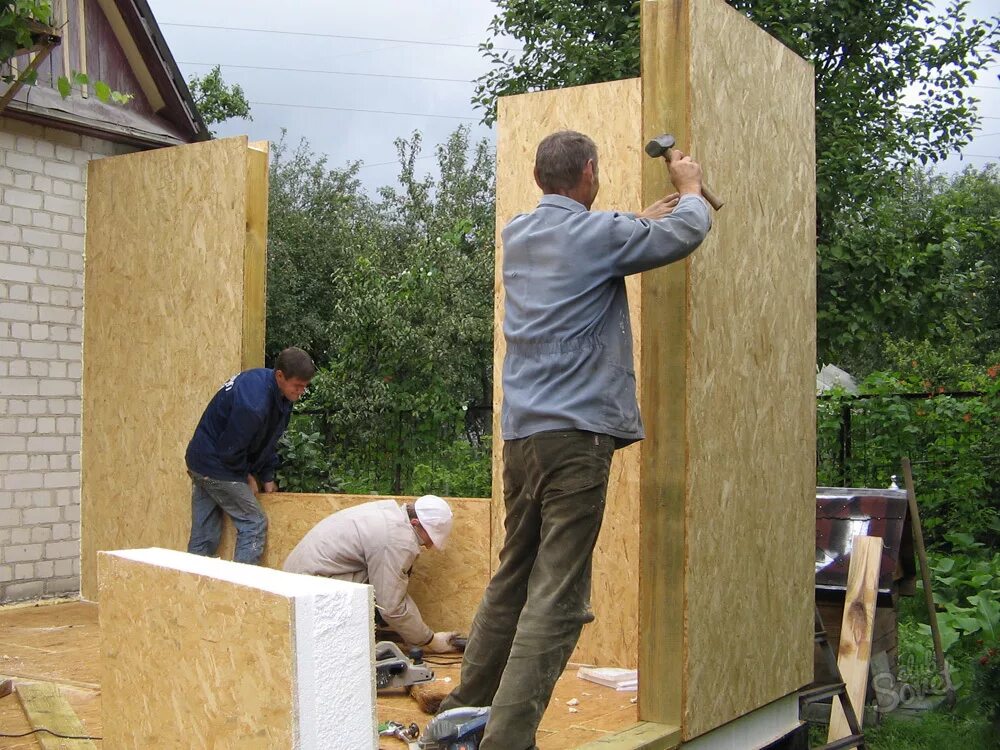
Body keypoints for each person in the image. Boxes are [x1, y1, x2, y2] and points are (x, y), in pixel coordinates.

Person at [437, 130, 713, 749]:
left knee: (513, 576)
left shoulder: (519, 232)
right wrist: (689, 189)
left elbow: (597, 241)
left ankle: (462, 714)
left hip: (523, 438)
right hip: (575, 442)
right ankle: (505, 741)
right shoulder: (596, 237)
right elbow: (687, 232)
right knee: (557, 596)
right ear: (589, 171)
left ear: (540, 178)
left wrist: (633, 222)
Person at [185, 346, 316, 565]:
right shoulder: (254, 402)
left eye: (305, 386)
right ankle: (244, 593)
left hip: (202, 459)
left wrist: (267, 476)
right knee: (253, 523)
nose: (301, 391)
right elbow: (232, 448)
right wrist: (245, 476)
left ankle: (191, 590)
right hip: (216, 463)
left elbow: (266, 438)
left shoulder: (278, 393)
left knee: (204, 535)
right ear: (280, 376)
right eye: (298, 385)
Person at [283, 495, 458, 652]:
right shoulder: (397, 540)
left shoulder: (390, 513)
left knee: (383, 585)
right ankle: (345, 652)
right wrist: (430, 640)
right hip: (309, 590)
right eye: (430, 538)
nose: (429, 546)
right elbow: (391, 606)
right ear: (415, 523)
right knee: (383, 595)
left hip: (301, 579)